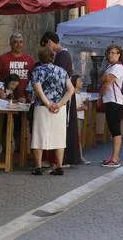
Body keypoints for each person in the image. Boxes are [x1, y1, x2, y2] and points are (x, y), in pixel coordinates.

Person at [30, 47, 74, 176]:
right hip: (59, 108)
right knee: (59, 136)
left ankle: (38, 167)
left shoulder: (38, 70)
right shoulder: (62, 71)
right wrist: (60, 103)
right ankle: (59, 166)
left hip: (42, 107)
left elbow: (38, 88)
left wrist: (47, 103)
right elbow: (70, 90)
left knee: (39, 135)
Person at [41, 31, 79, 165]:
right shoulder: (64, 55)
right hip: (62, 96)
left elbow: (59, 79)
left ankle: (59, 159)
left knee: (59, 129)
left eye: (47, 45)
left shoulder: (62, 56)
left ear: (50, 42)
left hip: (60, 97)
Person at [0, 32, 35, 154]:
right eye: (15, 42)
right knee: (4, 127)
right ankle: (5, 151)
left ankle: (19, 151)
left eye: (20, 42)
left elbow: (33, 79)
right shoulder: (1, 59)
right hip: (6, 102)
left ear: (24, 43)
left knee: (20, 127)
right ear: (10, 43)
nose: (18, 44)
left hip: (24, 101)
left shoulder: (29, 60)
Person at [100, 44, 123, 168]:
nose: (111, 55)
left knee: (115, 130)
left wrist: (105, 80)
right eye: (110, 53)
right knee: (112, 129)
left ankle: (115, 158)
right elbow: (103, 79)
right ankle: (114, 156)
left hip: (115, 101)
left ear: (119, 55)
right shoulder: (110, 66)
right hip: (109, 100)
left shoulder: (118, 67)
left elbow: (108, 81)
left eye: (114, 53)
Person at [72, 75, 90, 165]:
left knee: (79, 137)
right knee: (77, 137)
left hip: (80, 117)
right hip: (75, 117)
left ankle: (79, 156)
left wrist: (86, 103)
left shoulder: (81, 94)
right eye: (79, 81)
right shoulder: (72, 94)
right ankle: (79, 156)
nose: (81, 83)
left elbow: (86, 103)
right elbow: (72, 108)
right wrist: (80, 108)